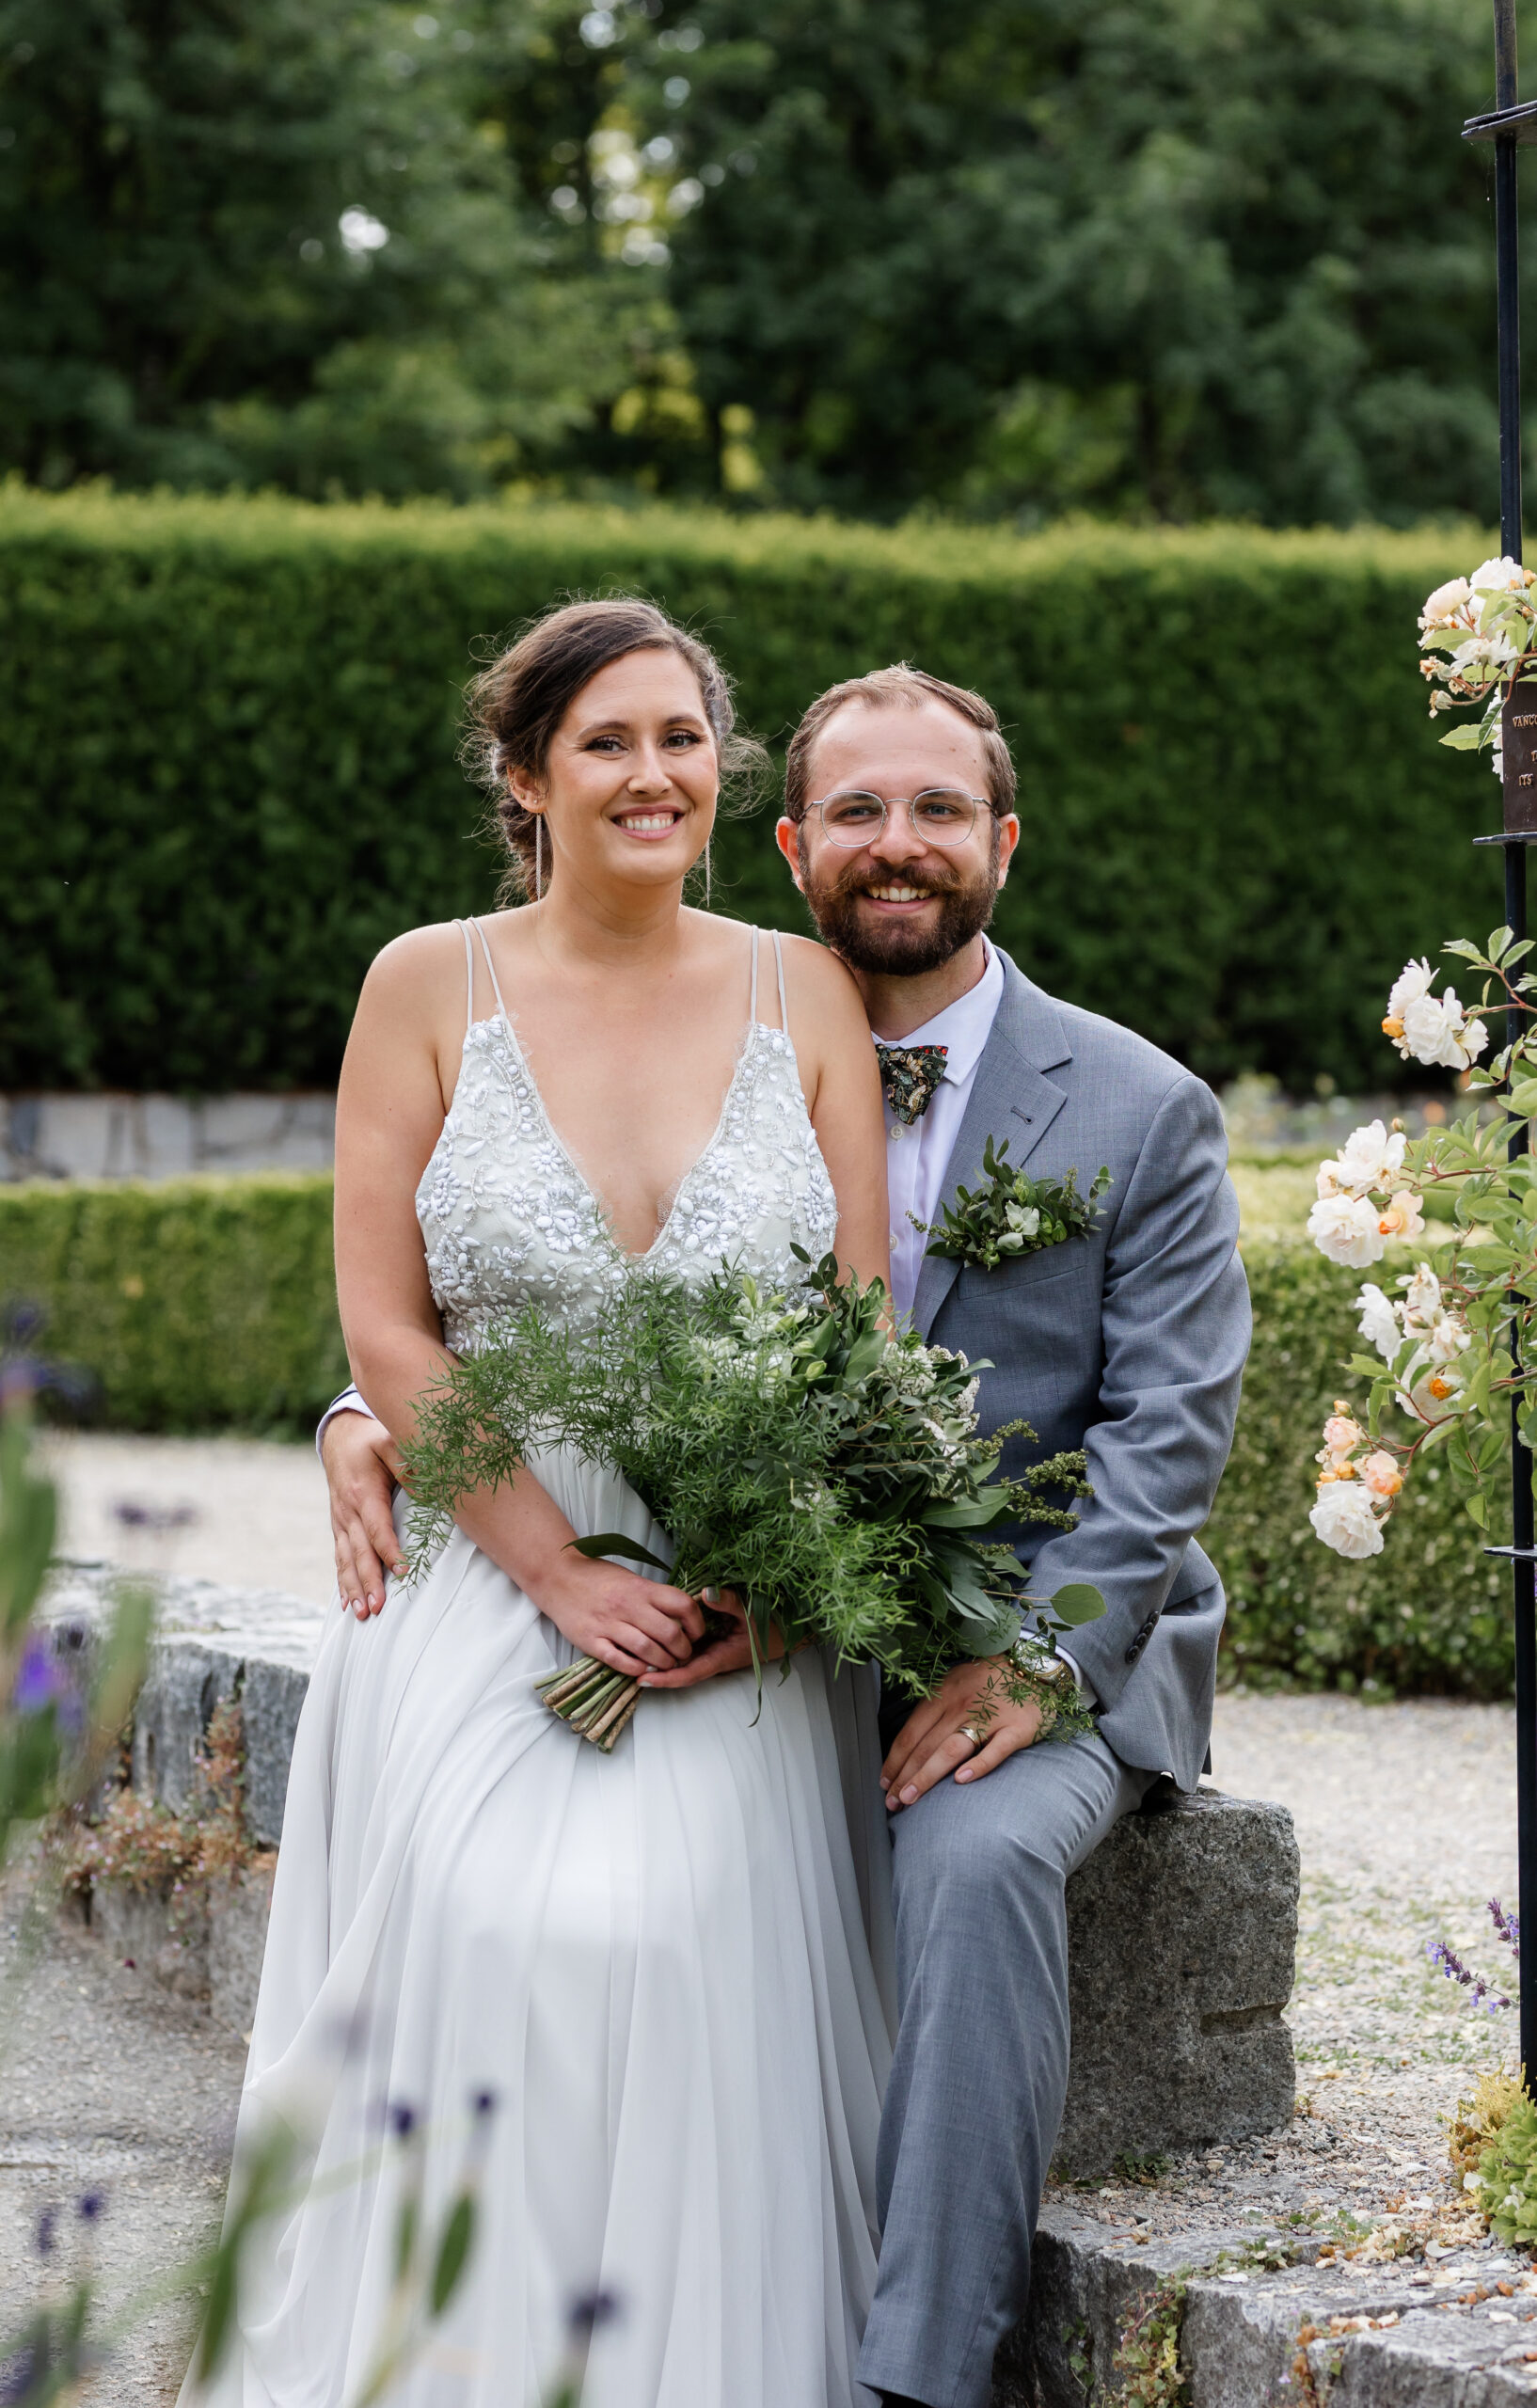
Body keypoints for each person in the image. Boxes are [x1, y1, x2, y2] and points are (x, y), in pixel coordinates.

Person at [323, 661, 1252, 2408]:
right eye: (856, 811)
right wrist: (365, 1417)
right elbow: (508, 1276)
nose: (897, 844)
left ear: (1004, 839)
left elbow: (1163, 1439)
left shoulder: (1140, 1109)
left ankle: (915, 2374)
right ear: (795, 839)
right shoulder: (740, 1001)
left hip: (1025, 1636)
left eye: (938, 811)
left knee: (969, 1864)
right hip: (717, 1597)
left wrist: (1043, 1657)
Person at [190, 599, 902, 2408]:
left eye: (681, 739)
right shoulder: (425, 984)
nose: (653, 774)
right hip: (490, 1578)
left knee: (674, 1961)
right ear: (526, 776)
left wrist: (776, 1566)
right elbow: (388, 1330)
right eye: (607, 743)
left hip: (744, 1595)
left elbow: (857, 1330)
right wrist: (561, 1575)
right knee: (511, 1941)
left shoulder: (797, 988)